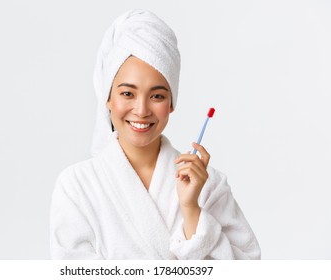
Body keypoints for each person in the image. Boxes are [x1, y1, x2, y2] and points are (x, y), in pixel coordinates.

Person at [50, 9, 261, 260]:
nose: (141, 110)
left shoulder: (209, 185)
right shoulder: (77, 186)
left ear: (172, 103)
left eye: (157, 96)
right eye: (127, 93)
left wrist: (191, 210)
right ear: (107, 98)